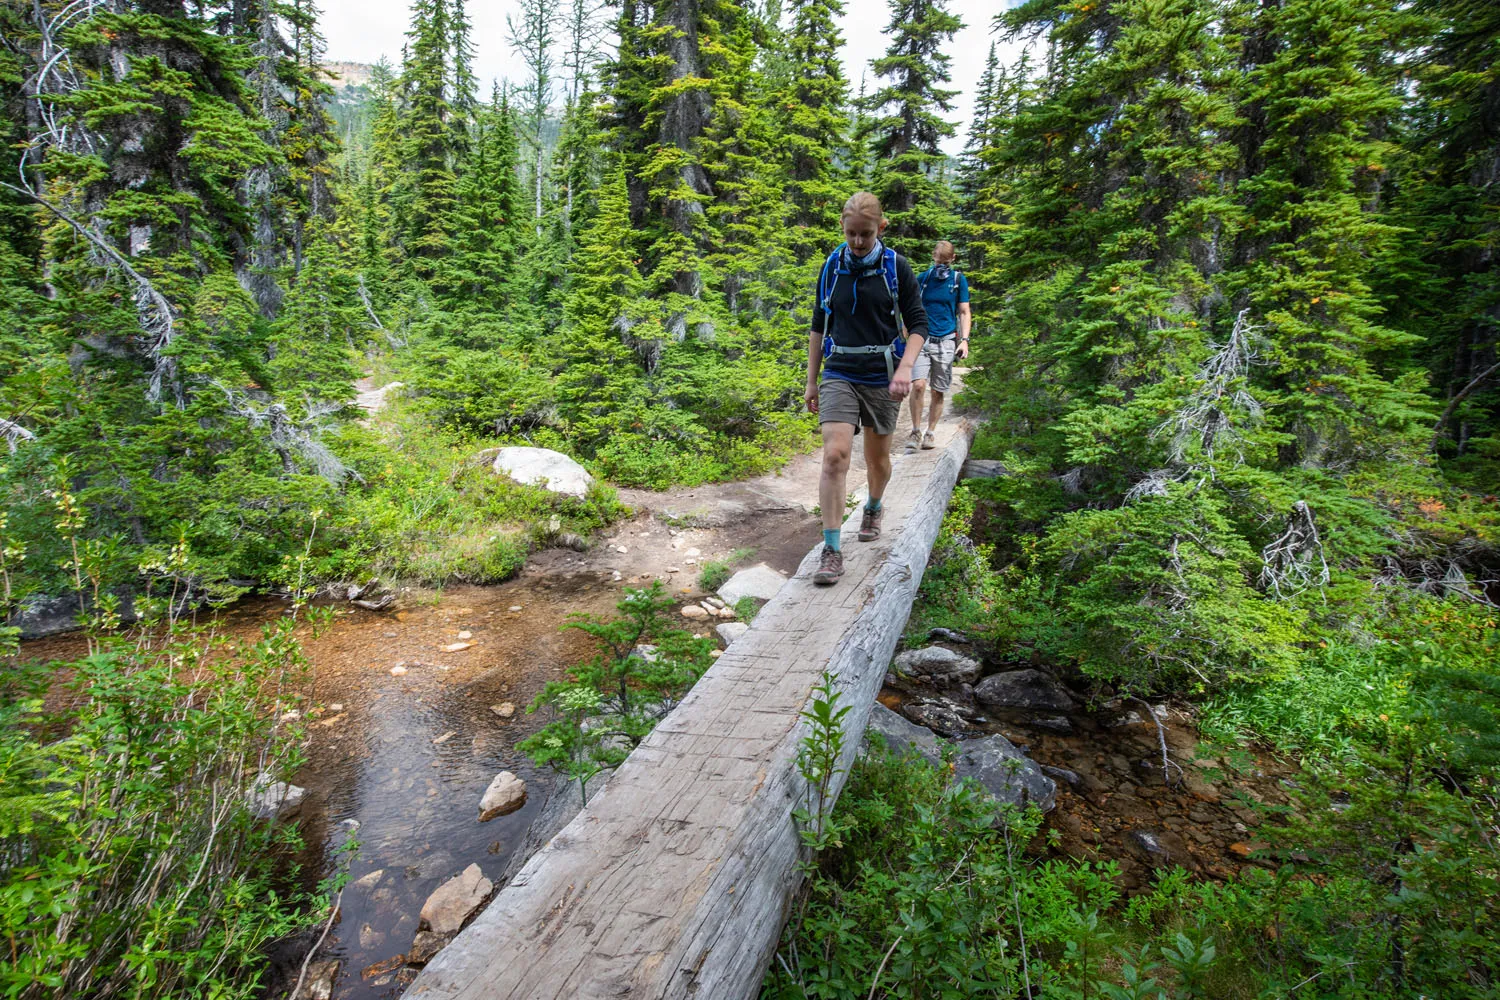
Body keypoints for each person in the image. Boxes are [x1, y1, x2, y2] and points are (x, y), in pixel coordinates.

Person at [804, 192, 928, 586]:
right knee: (835, 456)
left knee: (878, 461)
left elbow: (919, 324)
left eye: (866, 234)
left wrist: (905, 368)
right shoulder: (831, 266)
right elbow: (818, 325)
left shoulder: (897, 267)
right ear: (842, 226)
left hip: (884, 373)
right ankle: (832, 549)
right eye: (851, 233)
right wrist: (811, 379)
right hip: (839, 369)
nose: (857, 242)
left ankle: (874, 505)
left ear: (881, 228)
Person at [905, 240, 971, 450]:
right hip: (922, 339)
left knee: (938, 390)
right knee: (918, 385)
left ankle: (930, 433)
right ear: (933, 257)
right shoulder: (923, 279)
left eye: (945, 260)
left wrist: (965, 340)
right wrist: (907, 331)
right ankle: (915, 432)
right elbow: (909, 307)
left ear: (952, 259)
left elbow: (963, 311)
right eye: (938, 260)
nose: (941, 264)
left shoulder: (958, 281)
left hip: (946, 340)